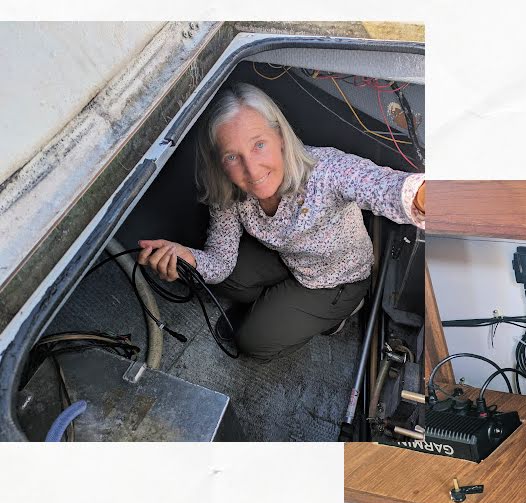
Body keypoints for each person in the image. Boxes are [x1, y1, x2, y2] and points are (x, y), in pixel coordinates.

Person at [137, 82, 424, 361]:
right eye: (233, 156)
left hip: (336, 279)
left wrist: (424, 196)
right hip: (288, 259)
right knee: (223, 282)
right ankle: (282, 305)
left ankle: (337, 315)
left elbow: (383, 185)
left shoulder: (326, 170)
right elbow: (220, 261)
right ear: (219, 161)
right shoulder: (230, 190)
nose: (251, 169)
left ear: (281, 137)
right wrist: (189, 260)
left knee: (252, 342)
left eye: (259, 144)